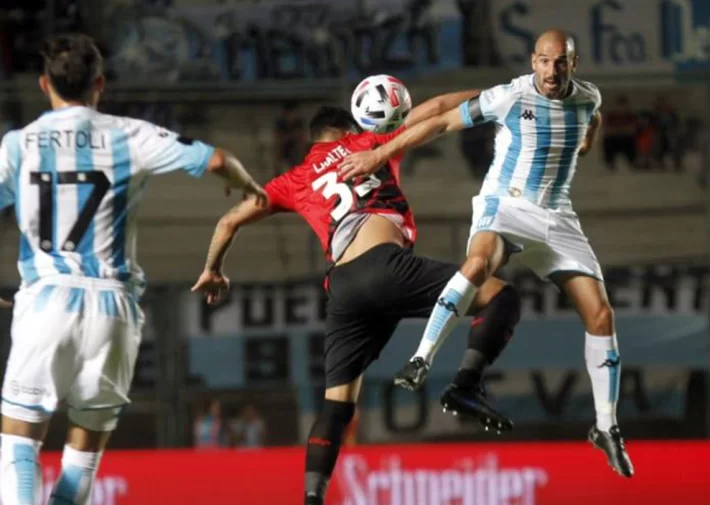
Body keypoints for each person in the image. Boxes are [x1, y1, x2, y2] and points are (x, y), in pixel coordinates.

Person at [192, 99, 523, 505]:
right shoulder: (367, 142)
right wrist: (501, 94)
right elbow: (437, 109)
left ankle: (312, 498)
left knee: (337, 405)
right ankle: (467, 385)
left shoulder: (293, 179)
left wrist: (213, 268)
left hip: (344, 290)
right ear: (347, 131)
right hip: (387, 267)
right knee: (499, 296)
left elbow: (227, 221)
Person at [339, 29, 634, 478]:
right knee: (477, 265)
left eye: (561, 63)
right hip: (505, 206)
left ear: (574, 64)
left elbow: (592, 119)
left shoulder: (588, 98)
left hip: (557, 218)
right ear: (533, 61)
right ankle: (422, 358)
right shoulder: (509, 97)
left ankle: (606, 427)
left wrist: (587, 142)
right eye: (544, 61)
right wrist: (380, 156)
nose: (551, 71)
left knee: (601, 316)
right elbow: (439, 122)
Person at [0, 33, 267, 505]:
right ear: (99, 83)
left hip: (45, 302)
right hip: (113, 311)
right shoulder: (128, 134)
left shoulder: (18, 146)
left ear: (44, 84)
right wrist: (249, 187)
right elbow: (219, 160)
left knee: (20, 439)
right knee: (82, 454)